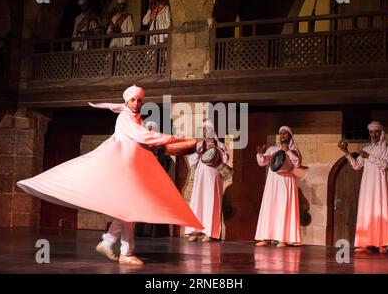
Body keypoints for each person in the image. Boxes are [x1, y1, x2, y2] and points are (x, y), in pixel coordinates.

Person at [17, 85, 203, 265]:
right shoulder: (125, 117)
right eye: (133, 100)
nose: (137, 103)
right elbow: (143, 137)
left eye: (139, 100)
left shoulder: (137, 118)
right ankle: (125, 252)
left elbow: (145, 139)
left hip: (133, 168)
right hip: (123, 168)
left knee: (127, 210)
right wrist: (173, 138)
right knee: (129, 210)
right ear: (127, 101)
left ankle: (108, 242)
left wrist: (166, 143)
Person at [338, 121, 388, 254]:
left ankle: (382, 243)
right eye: (371, 132)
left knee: (380, 211)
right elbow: (356, 166)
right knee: (368, 212)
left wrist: (369, 157)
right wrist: (347, 152)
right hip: (368, 186)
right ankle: (365, 243)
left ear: (381, 132)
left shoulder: (387, 148)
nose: (374, 134)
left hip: (381, 185)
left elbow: (385, 164)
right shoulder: (366, 149)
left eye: (376, 131)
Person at [254, 126, 302, 247]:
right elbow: (262, 162)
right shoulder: (272, 149)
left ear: (290, 136)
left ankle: (283, 238)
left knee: (283, 207)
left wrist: (288, 151)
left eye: (285, 133)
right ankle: (266, 237)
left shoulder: (294, 150)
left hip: (286, 182)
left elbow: (297, 163)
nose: (282, 135)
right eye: (280, 133)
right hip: (273, 182)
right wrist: (260, 153)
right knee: (270, 207)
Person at [185, 119, 229, 242]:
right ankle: (195, 230)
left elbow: (225, 160)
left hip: (212, 177)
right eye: (203, 130)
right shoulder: (200, 145)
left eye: (207, 129)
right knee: (199, 201)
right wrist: (198, 153)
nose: (205, 132)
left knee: (211, 202)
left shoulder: (220, 145)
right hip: (201, 177)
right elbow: (191, 161)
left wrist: (215, 148)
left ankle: (210, 232)